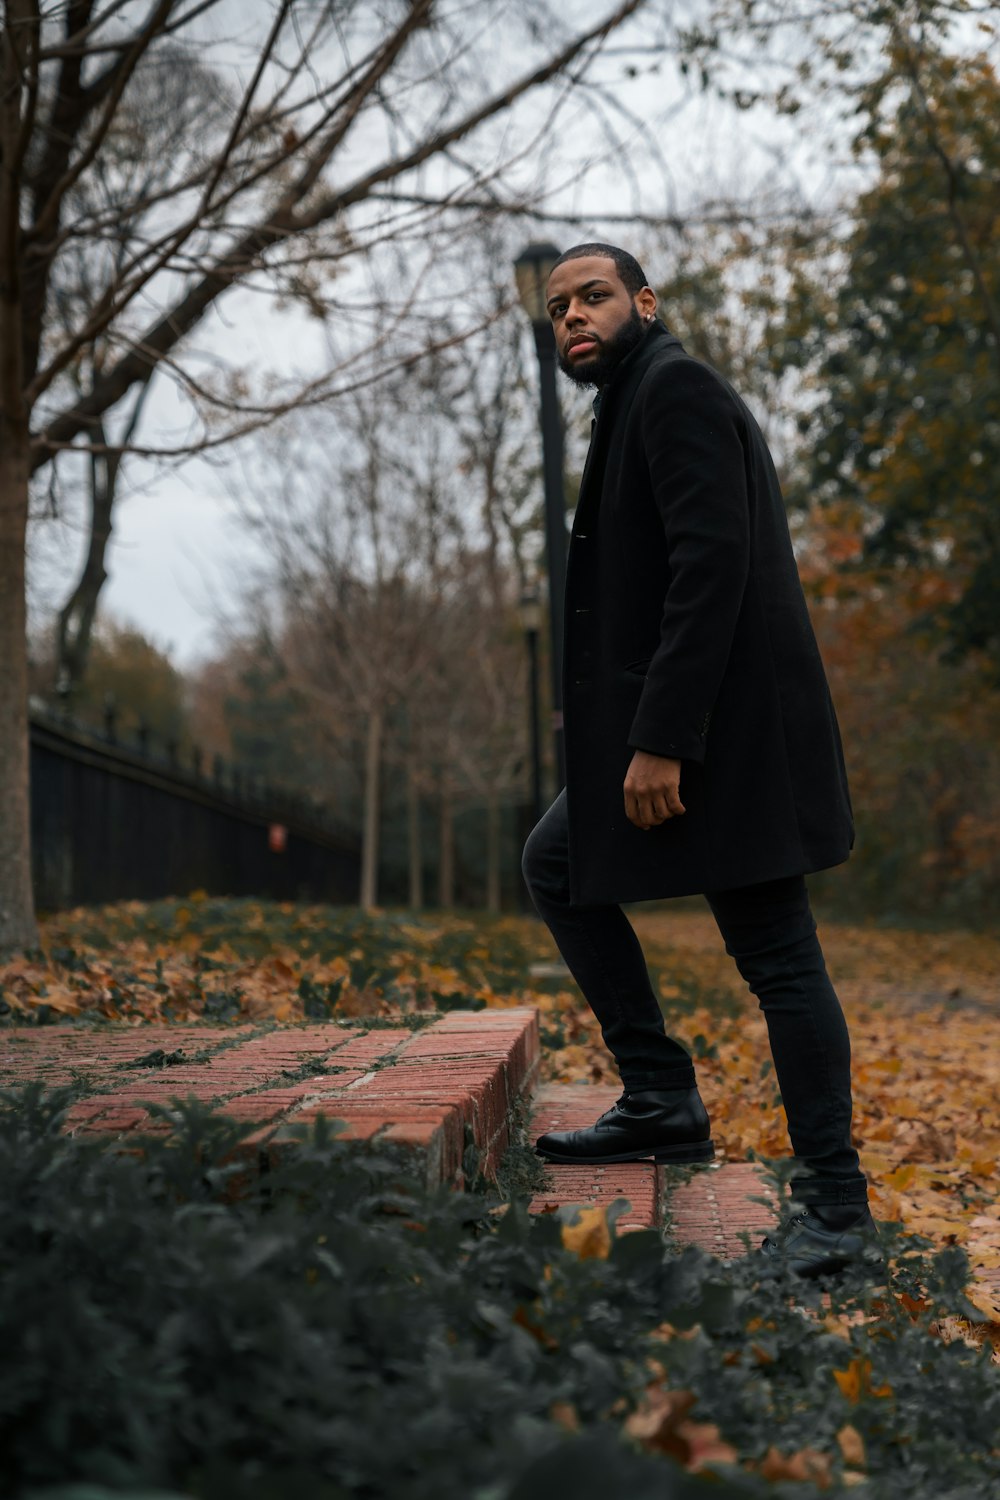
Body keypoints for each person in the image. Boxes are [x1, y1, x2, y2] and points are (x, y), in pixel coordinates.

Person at [522, 242, 878, 1278]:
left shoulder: (670, 388)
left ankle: (836, 1213)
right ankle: (660, 1098)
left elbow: (710, 567)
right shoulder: (631, 397)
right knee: (557, 865)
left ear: (643, 302)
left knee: (776, 955)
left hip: (727, 736)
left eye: (592, 297)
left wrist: (661, 739)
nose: (573, 318)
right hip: (703, 728)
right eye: (557, 309)